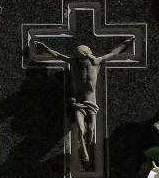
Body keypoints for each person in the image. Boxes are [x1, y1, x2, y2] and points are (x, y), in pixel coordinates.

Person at [32, 38, 136, 168]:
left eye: (82, 58)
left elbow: (113, 53)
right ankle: (86, 153)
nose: (80, 61)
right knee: (81, 129)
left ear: (87, 56)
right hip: (79, 103)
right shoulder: (73, 62)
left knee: (91, 129)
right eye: (78, 58)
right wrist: (45, 48)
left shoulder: (96, 63)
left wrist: (125, 44)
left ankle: (86, 148)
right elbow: (58, 55)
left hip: (92, 103)